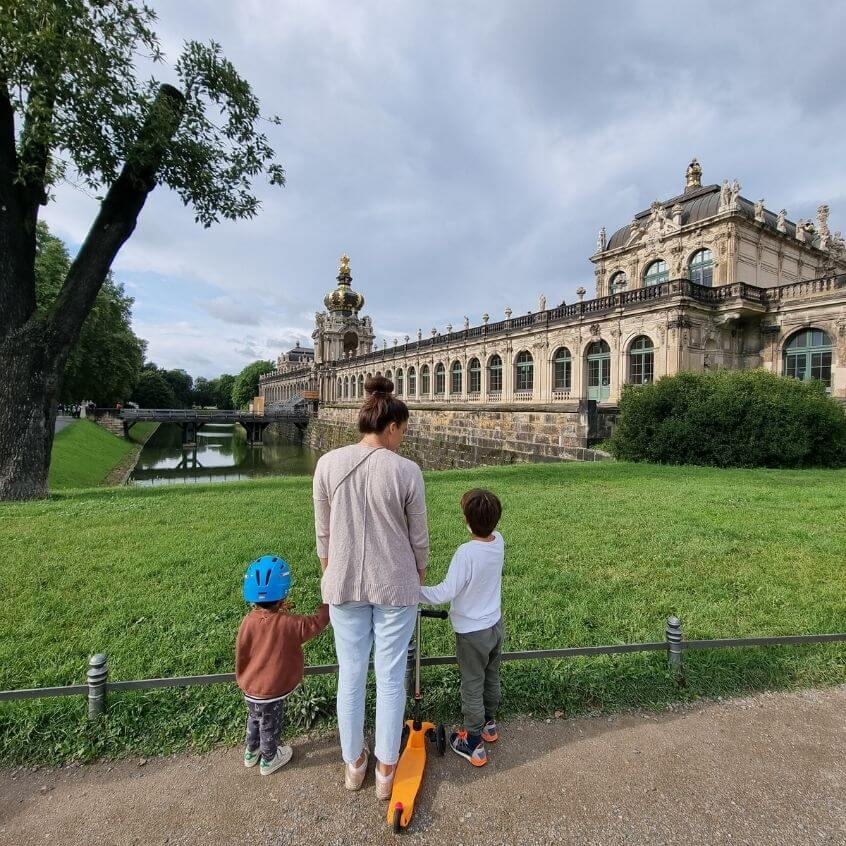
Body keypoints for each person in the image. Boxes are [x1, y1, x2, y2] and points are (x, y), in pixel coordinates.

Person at [313, 375, 428, 799]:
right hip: (395, 583)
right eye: (404, 431)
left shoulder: (327, 463)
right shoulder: (407, 470)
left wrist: (332, 570)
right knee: (391, 675)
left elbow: (323, 534)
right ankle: (385, 771)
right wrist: (416, 575)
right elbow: (419, 539)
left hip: (342, 584)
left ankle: (353, 763)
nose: (403, 438)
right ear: (392, 426)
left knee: (352, 673)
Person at [420, 489, 504, 767]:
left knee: (472, 683)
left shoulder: (466, 553)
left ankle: (473, 739)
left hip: (472, 633)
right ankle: (490, 724)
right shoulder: (499, 541)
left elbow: (446, 591)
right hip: (494, 625)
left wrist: (415, 591)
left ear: (468, 521)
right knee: (491, 676)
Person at [236, 555, 330, 775]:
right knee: (270, 722)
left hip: (250, 686)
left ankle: (251, 751)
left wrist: (279, 611)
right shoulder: (289, 623)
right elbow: (314, 624)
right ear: (283, 594)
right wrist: (327, 607)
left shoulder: (248, 621)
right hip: (271, 690)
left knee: (254, 717)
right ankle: (269, 759)